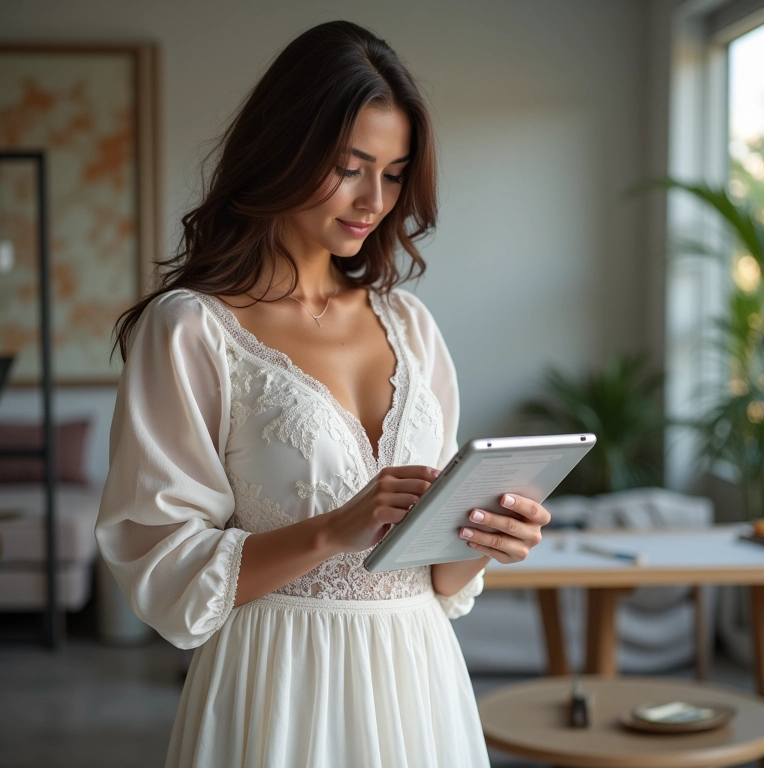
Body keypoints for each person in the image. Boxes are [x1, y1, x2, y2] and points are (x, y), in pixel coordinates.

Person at [95, 20, 551, 768]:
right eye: (350, 167)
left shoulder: (409, 323)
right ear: (283, 150)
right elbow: (160, 564)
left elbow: (436, 578)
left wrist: (486, 542)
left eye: (396, 172)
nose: (375, 199)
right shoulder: (193, 329)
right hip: (278, 683)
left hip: (418, 676)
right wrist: (332, 531)